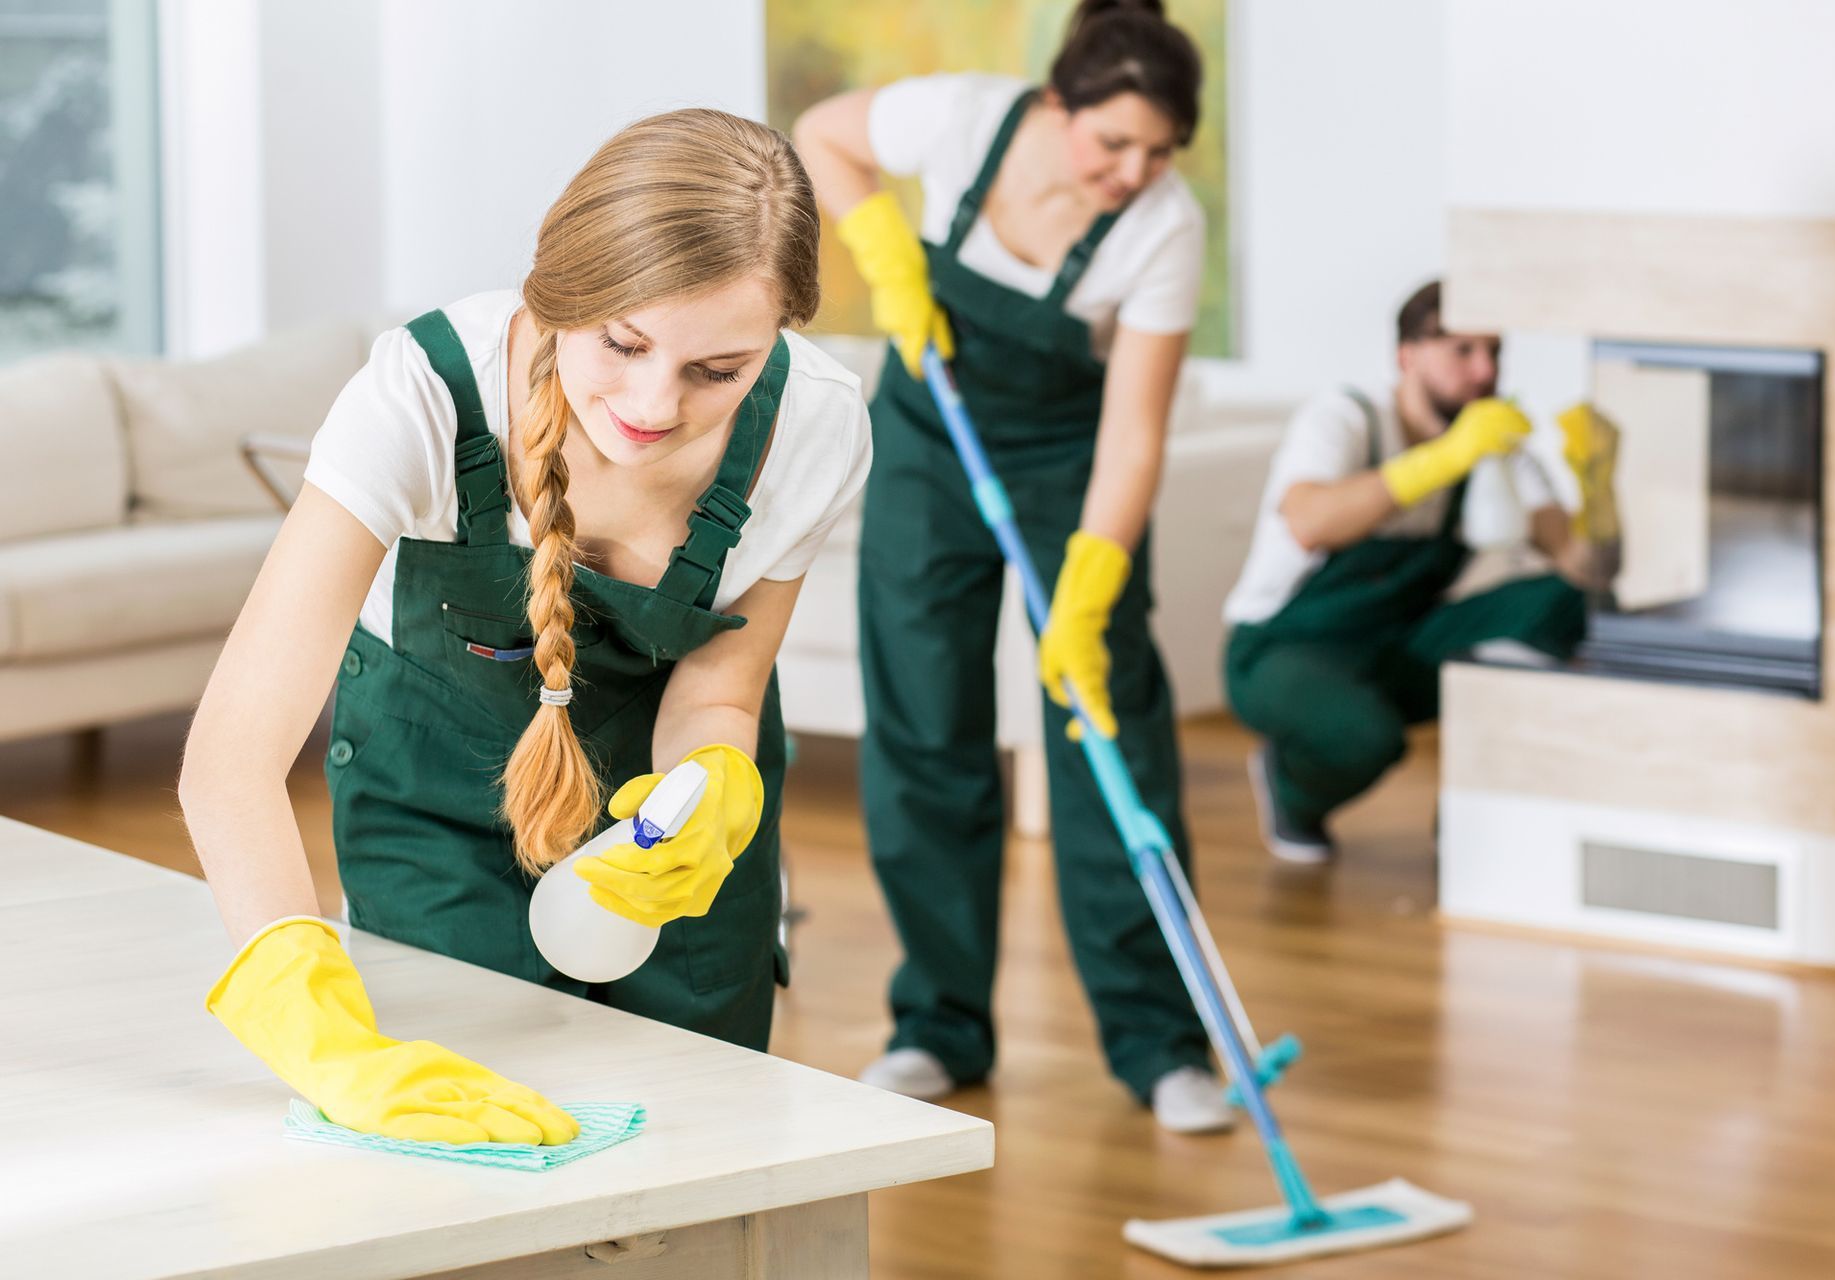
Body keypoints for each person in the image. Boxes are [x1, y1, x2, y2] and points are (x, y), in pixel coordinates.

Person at [178, 109, 872, 1144]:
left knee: (700, 1140)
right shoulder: (420, 397)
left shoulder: (815, 425)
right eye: (622, 343)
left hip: (659, 835)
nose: (650, 403)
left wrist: (711, 793)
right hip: (438, 796)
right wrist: (314, 1030)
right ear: (560, 288)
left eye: (716, 370)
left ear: (780, 336)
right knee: (468, 1135)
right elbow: (230, 758)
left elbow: (721, 688)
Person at [795, 0, 1230, 1133]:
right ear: (1056, 105)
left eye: (1157, 151)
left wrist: (1088, 585)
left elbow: (1135, 430)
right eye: (1110, 143)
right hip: (930, 437)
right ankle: (937, 1023)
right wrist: (882, 248)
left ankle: (1160, 1042)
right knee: (925, 721)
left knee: (1104, 724)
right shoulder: (962, 120)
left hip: (1067, 463)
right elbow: (821, 133)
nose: (1131, 172)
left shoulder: (1164, 230)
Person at [1221, 279, 1610, 864]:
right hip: (1282, 647)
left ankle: (1470, 809)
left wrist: (1597, 482)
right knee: (1366, 736)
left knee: (1564, 602)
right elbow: (1309, 520)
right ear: (1407, 356)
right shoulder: (1346, 419)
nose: (1485, 371)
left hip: (1398, 641)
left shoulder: (1496, 445)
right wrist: (1445, 459)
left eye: (1495, 352)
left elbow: (1578, 566)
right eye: (1463, 351)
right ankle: (1293, 788)